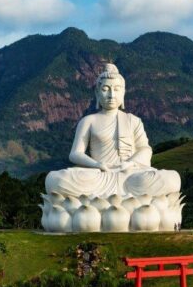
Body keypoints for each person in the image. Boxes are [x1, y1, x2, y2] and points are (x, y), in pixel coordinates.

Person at [45, 64, 181, 199]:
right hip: (100, 175)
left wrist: (130, 163)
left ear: (123, 93)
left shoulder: (133, 120)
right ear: (97, 93)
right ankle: (127, 199)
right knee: (55, 179)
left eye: (116, 89)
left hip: (130, 175)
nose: (111, 95)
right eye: (105, 89)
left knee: (172, 179)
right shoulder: (88, 121)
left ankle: (103, 200)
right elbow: (75, 154)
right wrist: (97, 164)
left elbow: (145, 149)